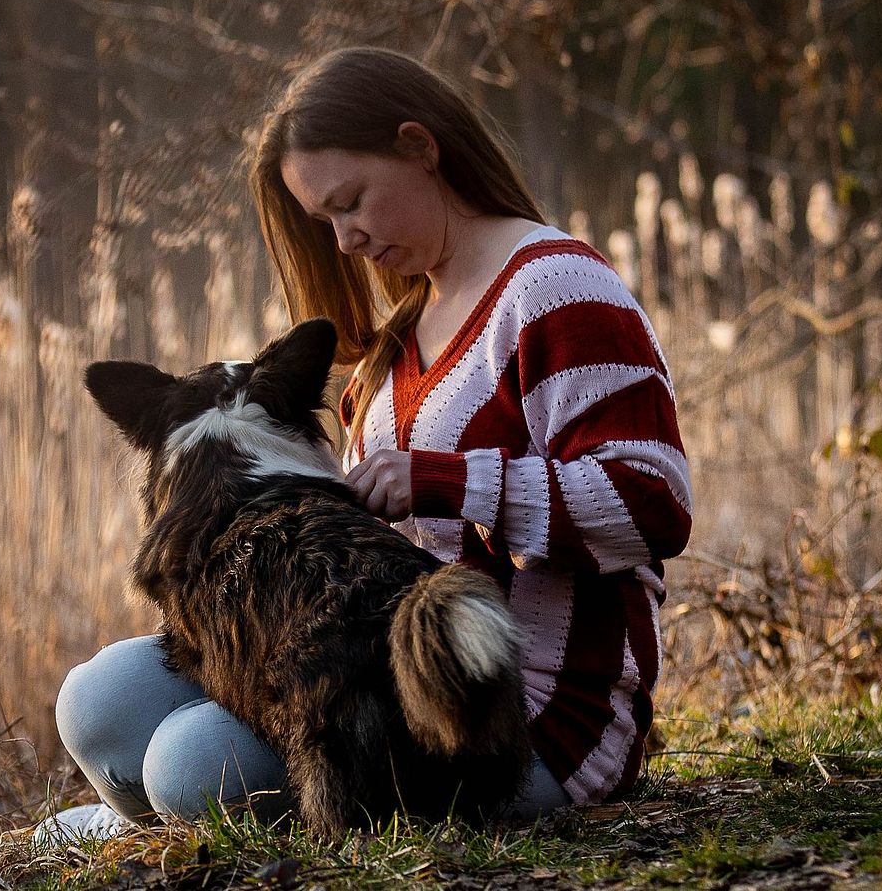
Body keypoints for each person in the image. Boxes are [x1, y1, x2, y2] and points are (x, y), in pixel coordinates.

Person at [34, 46, 692, 846]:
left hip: (521, 715)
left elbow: (652, 505)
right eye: (325, 222)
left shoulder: (554, 290)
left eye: (352, 203)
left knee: (191, 764)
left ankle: (137, 823)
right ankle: (142, 821)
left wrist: (448, 480)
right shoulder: (399, 338)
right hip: (366, 682)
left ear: (420, 147)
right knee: (100, 699)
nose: (345, 241)